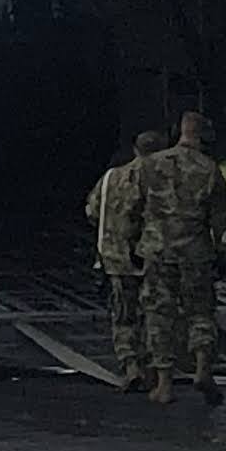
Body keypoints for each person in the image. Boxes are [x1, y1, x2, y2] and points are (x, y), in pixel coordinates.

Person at [129, 110, 226, 406]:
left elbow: (133, 209)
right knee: (200, 313)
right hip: (195, 252)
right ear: (202, 137)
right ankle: (202, 368)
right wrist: (221, 255)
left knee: (159, 314)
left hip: (158, 251)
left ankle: (164, 384)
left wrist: (132, 245)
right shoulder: (209, 169)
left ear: (179, 132)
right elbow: (221, 222)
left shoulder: (150, 165)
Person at [88, 129, 162, 389]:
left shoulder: (111, 178)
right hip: (151, 257)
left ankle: (130, 366)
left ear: (135, 150)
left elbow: (93, 211)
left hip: (116, 259)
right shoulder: (161, 178)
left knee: (123, 315)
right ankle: (155, 368)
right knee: (154, 313)